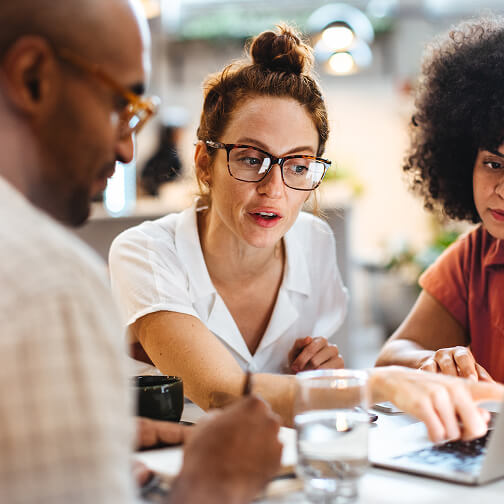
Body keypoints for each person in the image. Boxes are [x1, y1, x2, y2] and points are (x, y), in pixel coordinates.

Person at [109, 23, 504, 439]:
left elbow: (303, 402)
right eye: (249, 158)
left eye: (297, 166)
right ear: (204, 163)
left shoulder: (313, 245)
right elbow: (218, 391)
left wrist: (319, 377)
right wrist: (361, 385)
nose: (273, 188)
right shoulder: (145, 252)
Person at [0, 1, 283, 503]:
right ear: (32, 77)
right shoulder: (49, 283)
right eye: (121, 104)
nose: (128, 148)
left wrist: (93, 448)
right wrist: (213, 485)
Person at [376, 17, 504, 384]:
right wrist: (432, 361)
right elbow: (388, 361)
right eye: (493, 164)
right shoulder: (474, 257)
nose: (502, 189)